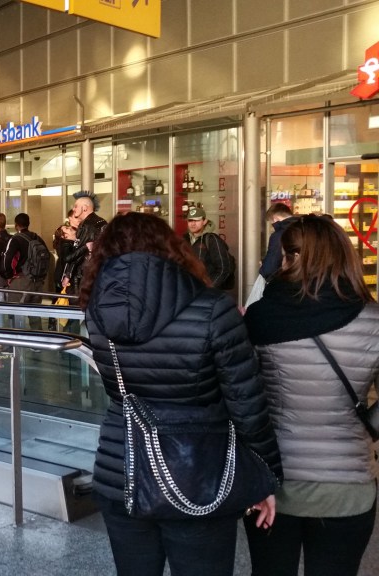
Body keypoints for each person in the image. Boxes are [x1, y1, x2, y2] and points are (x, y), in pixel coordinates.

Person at [79, 212, 280, 576]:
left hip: (120, 467)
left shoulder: (96, 312)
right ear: (172, 249)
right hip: (198, 473)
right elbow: (246, 404)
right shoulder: (214, 309)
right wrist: (264, 476)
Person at [242, 215, 379, 576]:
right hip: (349, 484)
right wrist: (369, 427)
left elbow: (244, 397)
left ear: (289, 259)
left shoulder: (260, 316)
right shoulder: (373, 320)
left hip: (272, 481)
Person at [61, 191, 107, 295]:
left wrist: (68, 274)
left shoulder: (88, 225)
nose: (74, 209)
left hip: (84, 276)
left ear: (85, 208)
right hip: (98, 274)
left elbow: (78, 253)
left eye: (76, 206)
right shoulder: (102, 222)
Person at [2, 212, 48, 307]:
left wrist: (9, 276)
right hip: (38, 281)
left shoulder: (15, 239)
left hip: (21, 280)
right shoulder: (37, 238)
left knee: (16, 312)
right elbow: (47, 256)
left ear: (16, 225)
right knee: (35, 314)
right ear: (28, 223)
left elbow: (8, 259)